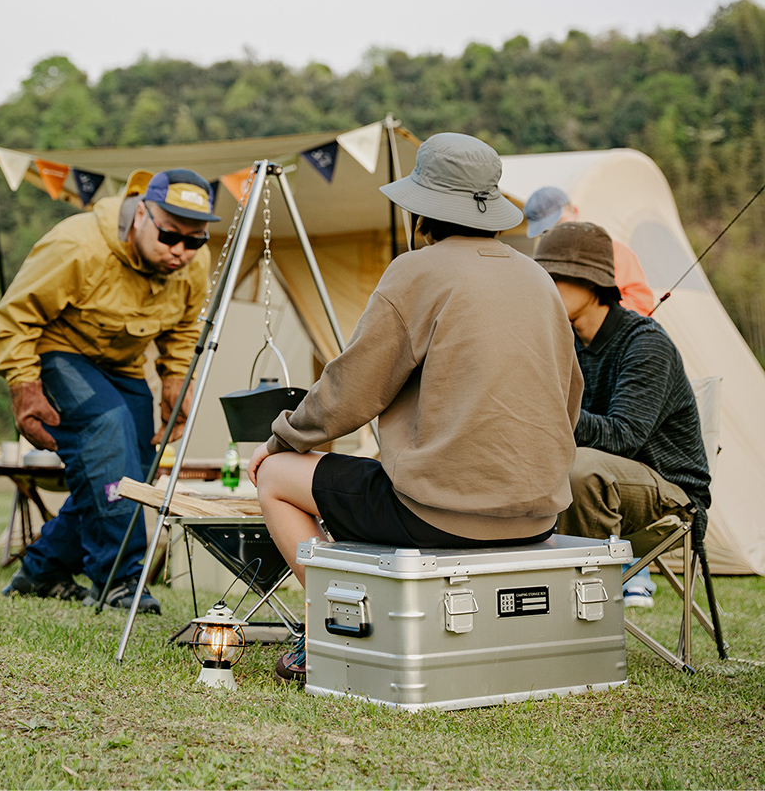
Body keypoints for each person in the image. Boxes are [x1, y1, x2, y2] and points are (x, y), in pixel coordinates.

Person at [247, 133, 584, 683]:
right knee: (364, 485)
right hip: (536, 516)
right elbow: (569, 399)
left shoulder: (416, 270)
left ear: (419, 211)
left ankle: (330, 629)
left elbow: (349, 390)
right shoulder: (538, 278)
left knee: (277, 477)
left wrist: (280, 440)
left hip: (437, 514)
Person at [0, 168, 218, 613]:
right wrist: (24, 386)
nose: (181, 252)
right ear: (140, 215)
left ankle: (42, 570)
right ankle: (120, 578)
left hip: (123, 364)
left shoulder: (191, 264)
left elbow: (184, 325)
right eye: (171, 236)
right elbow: (14, 317)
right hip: (57, 353)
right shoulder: (77, 245)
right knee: (108, 431)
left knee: (130, 471)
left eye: (195, 242)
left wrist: (175, 380)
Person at [533, 221, 711, 607]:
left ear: (595, 283)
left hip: (670, 493)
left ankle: (582, 621)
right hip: (599, 482)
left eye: (560, 277)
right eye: (543, 276)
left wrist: (544, 416)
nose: (548, 286)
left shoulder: (645, 343)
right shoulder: (565, 346)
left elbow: (623, 437)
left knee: (579, 470)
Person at [524, 186, 655, 316]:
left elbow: (641, 304)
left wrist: (592, 315)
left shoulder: (615, 251)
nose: (556, 235)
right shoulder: (538, 267)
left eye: (559, 224)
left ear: (574, 212)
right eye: (546, 232)